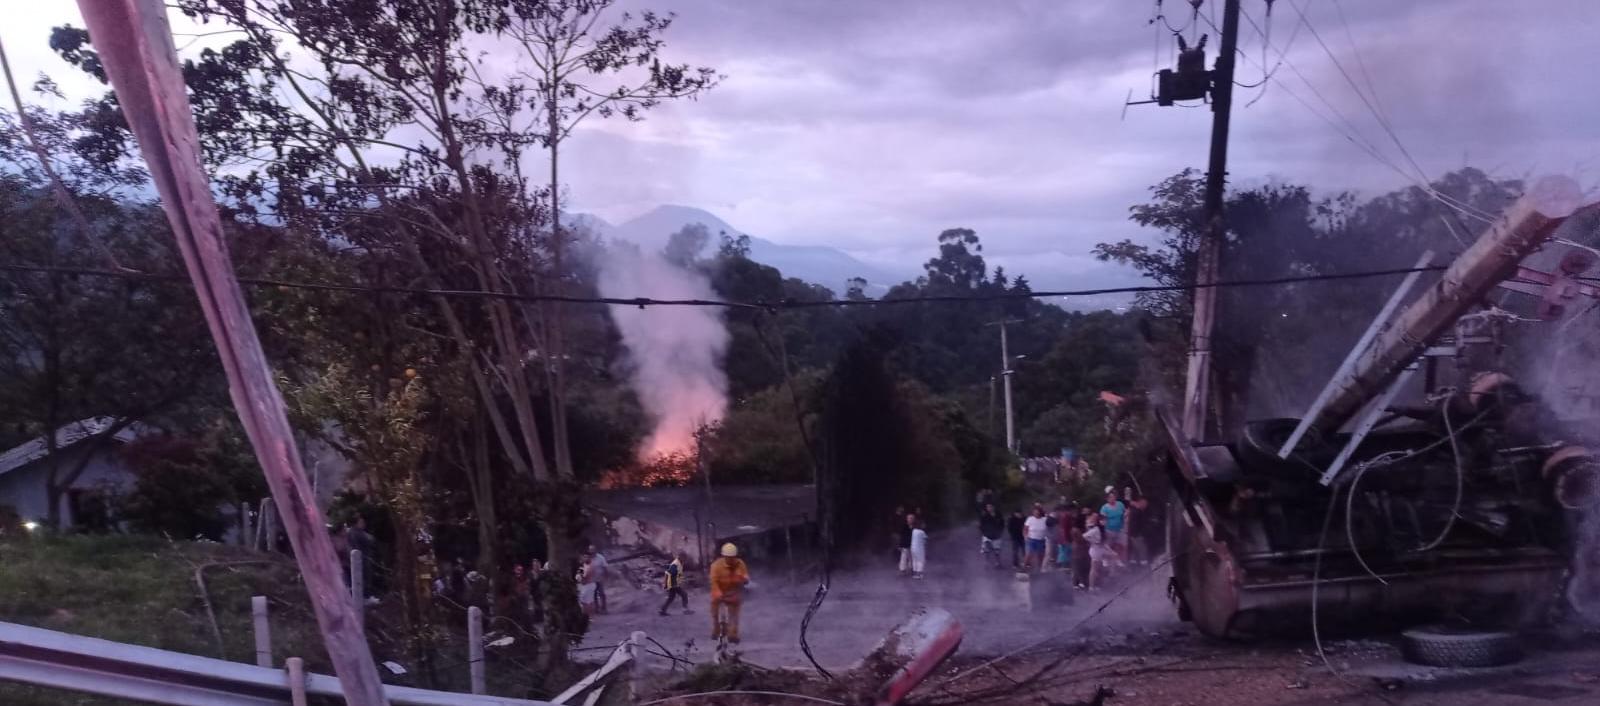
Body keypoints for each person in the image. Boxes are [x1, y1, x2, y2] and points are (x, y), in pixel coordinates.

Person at [709, 543, 750, 643]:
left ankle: (733, 634)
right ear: (724, 556)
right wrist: (718, 592)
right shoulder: (716, 566)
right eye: (729, 557)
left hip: (733, 591)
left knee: (734, 615)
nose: (731, 559)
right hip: (719, 590)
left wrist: (743, 578)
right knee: (715, 613)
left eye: (733, 557)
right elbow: (713, 581)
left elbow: (746, 578)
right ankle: (716, 631)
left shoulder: (740, 564)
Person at [1100, 491, 1129, 566]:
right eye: (1110, 497)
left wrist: (1126, 515)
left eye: (1113, 496)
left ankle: (1120, 561)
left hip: (1120, 529)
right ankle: (1105, 560)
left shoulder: (1120, 504)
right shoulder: (1104, 508)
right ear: (1107, 499)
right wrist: (1103, 523)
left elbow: (1125, 513)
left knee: (1122, 545)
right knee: (1108, 547)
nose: (1112, 498)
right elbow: (1102, 519)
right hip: (1109, 530)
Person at [659, 551, 691, 616]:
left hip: (672, 583)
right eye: (684, 558)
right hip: (673, 583)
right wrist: (668, 583)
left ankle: (662, 610)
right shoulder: (676, 563)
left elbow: (673, 571)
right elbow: (669, 572)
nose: (685, 559)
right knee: (684, 594)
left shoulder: (678, 562)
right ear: (681, 557)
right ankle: (685, 610)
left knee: (671, 598)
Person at [1124, 486, 1151, 565]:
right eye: (1145, 503)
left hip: (1134, 533)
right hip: (1135, 533)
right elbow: (1133, 524)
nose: (1146, 505)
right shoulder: (1135, 511)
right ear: (1141, 501)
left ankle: (1134, 564)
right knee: (1142, 548)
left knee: (1135, 549)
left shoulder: (1137, 510)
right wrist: (1136, 534)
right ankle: (1144, 565)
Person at [1023, 505, 1050, 572]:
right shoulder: (1030, 519)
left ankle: (1039, 569)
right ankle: (1024, 567)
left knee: (1040, 555)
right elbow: (1025, 529)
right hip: (1031, 539)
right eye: (1035, 512)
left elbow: (1050, 527)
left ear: (1040, 513)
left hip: (1041, 540)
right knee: (1029, 554)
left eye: (1037, 512)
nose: (1036, 514)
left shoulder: (1045, 519)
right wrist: (1025, 536)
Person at [1083, 515, 1106, 590]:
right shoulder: (1096, 529)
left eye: (1105, 520)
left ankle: (1096, 584)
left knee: (1098, 569)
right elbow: (1084, 536)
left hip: (1099, 550)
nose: (1105, 522)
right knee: (1093, 569)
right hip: (1095, 550)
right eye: (1103, 520)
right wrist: (1093, 541)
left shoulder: (1101, 529)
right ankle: (1091, 586)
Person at [978, 503, 1005, 568]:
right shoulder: (984, 515)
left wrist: (1000, 531)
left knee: (997, 551)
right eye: (987, 507)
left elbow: (1002, 523)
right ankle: (986, 563)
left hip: (996, 536)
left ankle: (997, 563)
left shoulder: (998, 514)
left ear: (993, 507)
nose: (989, 508)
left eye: (990, 507)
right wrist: (984, 532)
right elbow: (981, 525)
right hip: (987, 536)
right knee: (986, 550)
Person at [1072, 511, 1092, 589]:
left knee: (1079, 566)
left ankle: (1078, 582)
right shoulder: (1076, 530)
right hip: (1079, 550)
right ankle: (1078, 583)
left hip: (1080, 549)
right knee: (1078, 566)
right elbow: (1081, 539)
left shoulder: (1079, 528)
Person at [586, 544, 609, 614]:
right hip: (592, 580)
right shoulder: (588, 559)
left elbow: (605, 567)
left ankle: (604, 608)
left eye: (593, 549)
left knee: (602, 594)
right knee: (594, 595)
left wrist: (606, 575)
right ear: (589, 551)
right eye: (590, 550)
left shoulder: (600, 558)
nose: (592, 551)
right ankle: (596, 609)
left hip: (600, 578)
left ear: (595, 550)